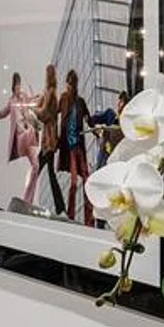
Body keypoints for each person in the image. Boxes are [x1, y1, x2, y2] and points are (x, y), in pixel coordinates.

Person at [0, 73, 44, 206]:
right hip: (19, 140)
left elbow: (31, 100)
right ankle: (35, 129)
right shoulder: (11, 101)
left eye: (20, 85)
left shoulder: (24, 96)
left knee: (36, 166)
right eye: (17, 86)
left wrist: (38, 96)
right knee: (32, 130)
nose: (19, 89)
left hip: (28, 139)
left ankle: (27, 200)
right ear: (13, 88)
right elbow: (1, 114)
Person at [57, 68, 95, 225]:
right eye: (68, 84)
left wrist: (98, 131)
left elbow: (88, 119)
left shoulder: (80, 102)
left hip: (79, 146)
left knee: (87, 180)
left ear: (75, 85)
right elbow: (53, 113)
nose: (69, 87)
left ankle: (89, 219)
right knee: (73, 183)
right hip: (69, 147)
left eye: (72, 84)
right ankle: (70, 215)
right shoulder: (64, 98)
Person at [35, 63, 66, 215]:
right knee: (48, 172)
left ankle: (25, 198)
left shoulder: (50, 92)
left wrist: (34, 109)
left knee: (37, 169)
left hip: (49, 139)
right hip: (51, 138)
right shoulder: (53, 93)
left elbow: (44, 114)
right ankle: (61, 208)